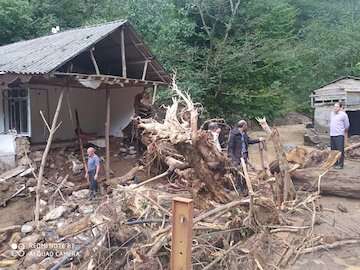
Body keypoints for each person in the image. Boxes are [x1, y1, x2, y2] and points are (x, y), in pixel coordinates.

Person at [330, 102, 350, 169]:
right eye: (334, 106)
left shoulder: (343, 115)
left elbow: (347, 125)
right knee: (333, 150)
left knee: (340, 150)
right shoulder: (332, 113)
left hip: (339, 135)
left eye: (337, 107)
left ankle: (340, 164)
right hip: (332, 134)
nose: (335, 108)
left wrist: (343, 131)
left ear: (340, 108)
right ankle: (334, 163)